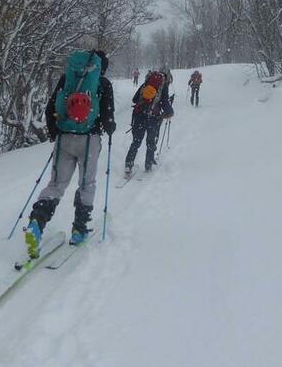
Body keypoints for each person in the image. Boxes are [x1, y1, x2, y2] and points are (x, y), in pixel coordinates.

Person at [24, 50, 115, 254]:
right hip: (89, 140)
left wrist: (56, 132)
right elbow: (109, 119)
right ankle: (78, 230)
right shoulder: (103, 84)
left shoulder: (68, 78)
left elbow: (50, 108)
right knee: (86, 183)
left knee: (56, 184)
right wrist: (107, 127)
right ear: (102, 67)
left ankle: (36, 223)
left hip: (64, 138)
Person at [125, 69, 173, 176]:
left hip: (139, 115)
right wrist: (169, 111)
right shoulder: (163, 86)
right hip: (153, 117)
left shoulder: (145, 84)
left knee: (136, 141)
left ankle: (128, 164)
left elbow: (134, 99)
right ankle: (148, 164)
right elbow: (164, 102)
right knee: (150, 142)